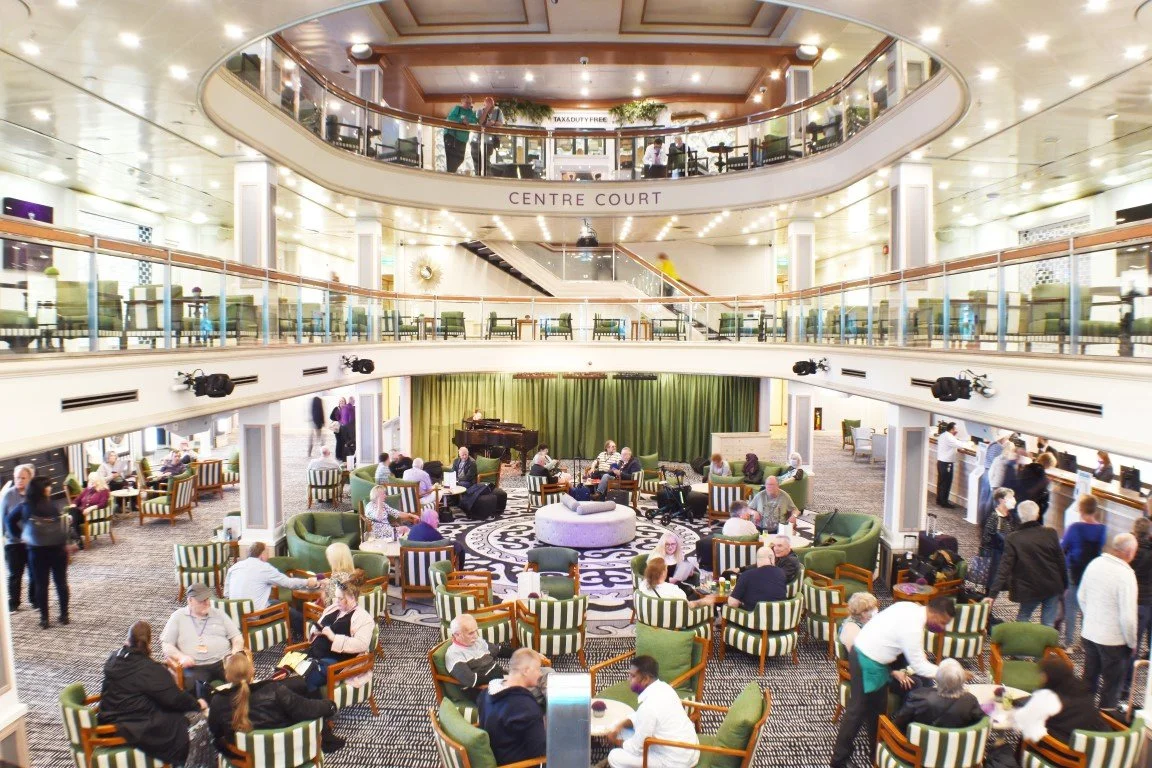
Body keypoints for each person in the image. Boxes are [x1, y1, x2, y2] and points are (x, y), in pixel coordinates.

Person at [830, 597, 956, 768]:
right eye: (943, 622)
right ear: (934, 613)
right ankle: (839, 761)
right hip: (865, 661)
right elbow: (919, 666)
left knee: (879, 712)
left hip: (878, 663)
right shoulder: (913, 627)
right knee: (856, 713)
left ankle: (876, 754)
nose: (942, 628)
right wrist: (951, 674)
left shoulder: (909, 606)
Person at [99, 621, 204, 766]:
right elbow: (174, 698)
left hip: (109, 715)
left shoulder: (114, 658)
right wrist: (197, 703)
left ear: (127, 640)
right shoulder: (148, 669)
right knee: (193, 719)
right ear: (149, 643)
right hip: (132, 724)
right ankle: (193, 763)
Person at [209, 649, 342, 756]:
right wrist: (330, 706)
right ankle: (327, 740)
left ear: (227, 676)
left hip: (245, 757)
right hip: (286, 752)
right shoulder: (275, 691)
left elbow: (216, 733)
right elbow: (307, 709)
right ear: (252, 672)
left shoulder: (217, 701)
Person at [1077, 533, 1139, 712]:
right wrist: (1132, 642)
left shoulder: (1094, 564)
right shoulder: (1126, 575)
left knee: (1089, 679)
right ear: (1129, 552)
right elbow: (1128, 617)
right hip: (1113, 641)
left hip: (1089, 633)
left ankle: (1082, 716)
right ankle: (1107, 723)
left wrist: (1092, 618)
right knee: (1111, 687)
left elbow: (1081, 596)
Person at [604, 655, 698, 768]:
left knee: (614, 756)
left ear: (646, 679)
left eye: (632, 676)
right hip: (690, 751)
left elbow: (636, 749)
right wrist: (621, 724)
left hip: (675, 762)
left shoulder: (648, 708)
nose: (629, 679)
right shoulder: (665, 688)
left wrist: (615, 741)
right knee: (623, 730)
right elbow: (641, 717)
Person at [987, 500, 1066, 626]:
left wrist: (992, 595)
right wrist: (1064, 585)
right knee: (1048, 624)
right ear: (1037, 514)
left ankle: (1022, 644)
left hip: (1029, 588)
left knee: (1023, 618)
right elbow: (1061, 561)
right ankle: (1047, 645)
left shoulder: (1013, 538)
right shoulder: (1050, 533)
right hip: (1052, 585)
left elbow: (1004, 569)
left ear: (1020, 516)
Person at [224, 542, 317, 638]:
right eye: (267, 552)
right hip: (254, 615)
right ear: (262, 554)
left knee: (274, 602)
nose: (268, 556)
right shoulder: (264, 568)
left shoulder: (234, 567)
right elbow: (288, 583)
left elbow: (226, 594)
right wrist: (308, 582)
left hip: (234, 616)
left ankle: (296, 633)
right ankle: (312, 634)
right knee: (288, 610)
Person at [161, 582, 243, 692]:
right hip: (196, 666)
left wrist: (234, 654)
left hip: (223, 661)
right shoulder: (178, 617)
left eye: (208, 599)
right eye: (202, 600)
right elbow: (166, 645)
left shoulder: (219, 614)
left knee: (241, 682)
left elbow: (237, 637)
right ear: (190, 600)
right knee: (194, 690)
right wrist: (181, 657)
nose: (207, 603)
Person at [302, 579, 374, 694]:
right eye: (336, 597)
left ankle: (321, 709)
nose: (337, 601)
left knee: (306, 679)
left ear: (352, 598)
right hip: (315, 652)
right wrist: (316, 630)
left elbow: (362, 644)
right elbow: (318, 624)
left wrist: (334, 637)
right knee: (287, 667)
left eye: (341, 598)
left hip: (336, 661)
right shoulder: (333, 608)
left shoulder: (364, 619)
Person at [477, 648, 547, 766]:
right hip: (518, 763)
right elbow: (540, 751)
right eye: (538, 669)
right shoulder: (526, 707)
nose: (540, 674)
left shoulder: (484, 694)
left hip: (498, 752)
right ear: (526, 671)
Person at [1013, 656, 1105, 745]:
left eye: (1043, 675)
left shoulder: (1051, 699)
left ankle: (1023, 757)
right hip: (1089, 745)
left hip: (1063, 750)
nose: (1041, 678)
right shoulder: (1083, 690)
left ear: (1049, 677)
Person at [16, 476, 69, 628]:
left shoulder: (25, 506)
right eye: (48, 486)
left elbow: (9, 520)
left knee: (41, 585)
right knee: (61, 582)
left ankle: (44, 619)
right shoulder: (52, 506)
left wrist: (21, 535)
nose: (50, 488)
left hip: (36, 551)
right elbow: (61, 527)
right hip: (57, 550)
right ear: (43, 489)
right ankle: (64, 615)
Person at [1060, 494, 1107, 646]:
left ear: (1080, 509)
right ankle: (1085, 642)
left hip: (1074, 570)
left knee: (1071, 608)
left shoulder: (1074, 528)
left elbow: (1063, 548)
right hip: (1092, 573)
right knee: (1087, 608)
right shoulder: (1102, 529)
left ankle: (1069, 643)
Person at [891, 658, 984, 731]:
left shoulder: (918, 697)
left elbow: (899, 724)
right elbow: (980, 724)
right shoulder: (970, 700)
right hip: (958, 752)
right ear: (962, 680)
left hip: (917, 750)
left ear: (937, 678)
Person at [446, 614, 508, 701]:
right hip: (481, 690)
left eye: (476, 631)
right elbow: (471, 680)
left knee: (529, 678)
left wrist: (520, 653)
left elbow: (497, 649)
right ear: (457, 635)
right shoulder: (454, 654)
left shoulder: (475, 641)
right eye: (471, 633)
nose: (475, 636)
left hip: (496, 678)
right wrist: (500, 675)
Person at [2, 463, 34, 612]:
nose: (19, 480)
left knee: (34, 572)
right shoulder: (8, 495)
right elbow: (3, 519)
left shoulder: (34, 495)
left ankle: (35, 600)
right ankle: (13, 602)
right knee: (15, 574)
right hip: (13, 542)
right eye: (17, 478)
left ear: (30, 479)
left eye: (23, 478)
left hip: (32, 541)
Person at [980, 487, 1018, 592]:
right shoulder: (994, 516)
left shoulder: (1010, 516)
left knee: (997, 584)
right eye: (1010, 497)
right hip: (992, 557)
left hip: (1002, 555)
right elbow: (986, 539)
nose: (1013, 500)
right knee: (990, 584)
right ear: (1001, 500)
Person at [640, 558, 715, 609]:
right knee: (699, 597)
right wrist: (704, 601)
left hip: (651, 617)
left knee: (691, 592)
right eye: (666, 568)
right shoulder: (673, 590)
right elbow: (688, 606)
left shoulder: (642, 585)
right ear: (663, 573)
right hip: (672, 620)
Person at [67, 471, 109, 548]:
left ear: (98, 481)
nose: (90, 482)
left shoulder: (104, 491)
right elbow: (78, 499)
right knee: (72, 511)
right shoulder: (88, 489)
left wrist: (91, 508)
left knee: (71, 518)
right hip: (81, 513)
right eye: (90, 480)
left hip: (91, 515)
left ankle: (75, 535)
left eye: (92, 481)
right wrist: (74, 504)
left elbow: (103, 503)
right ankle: (77, 537)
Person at [1018, 452, 1055, 522]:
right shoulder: (1043, 478)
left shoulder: (1025, 469)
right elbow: (1043, 501)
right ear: (1048, 465)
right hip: (1032, 510)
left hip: (1020, 506)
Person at [444, 95, 478, 173]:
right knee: (451, 158)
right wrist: (461, 120)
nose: (469, 104)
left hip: (463, 139)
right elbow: (450, 118)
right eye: (467, 102)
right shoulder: (457, 109)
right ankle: (450, 174)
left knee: (460, 158)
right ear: (462, 102)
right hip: (453, 138)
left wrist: (467, 121)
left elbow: (475, 121)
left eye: (470, 103)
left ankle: (451, 173)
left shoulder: (471, 112)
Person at [935, 421, 965, 508]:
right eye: (956, 430)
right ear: (952, 429)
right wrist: (967, 445)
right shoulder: (950, 437)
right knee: (946, 483)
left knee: (941, 482)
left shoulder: (943, 435)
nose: (957, 432)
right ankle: (944, 502)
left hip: (941, 462)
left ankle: (939, 500)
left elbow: (952, 445)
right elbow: (960, 444)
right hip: (947, 463)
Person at [471, 96, 503, 174]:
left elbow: (501, 124)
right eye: (487, 104)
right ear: (484, 104)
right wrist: (486, 111)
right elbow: (480, 123)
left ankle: (485, 177)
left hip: (489, 142)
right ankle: (478, 176)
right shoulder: (480, 111)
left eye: (491, 105)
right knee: (477, 161)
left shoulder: (498, 111)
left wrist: (493, 123)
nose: (490, 107)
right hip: (477, 140)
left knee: (486, 161)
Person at [330, 397, 348, 462]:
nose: (341, 402)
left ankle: (343, 455)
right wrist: (338, 420)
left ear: (345, 402)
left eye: (343, 401)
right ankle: (338, 456)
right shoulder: (336, 409)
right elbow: (331, 416)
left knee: (344, 442)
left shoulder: (347, 409)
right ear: (339, 402)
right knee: (339, 442)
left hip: (345, 429)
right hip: (337, 429)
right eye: (340, 401)